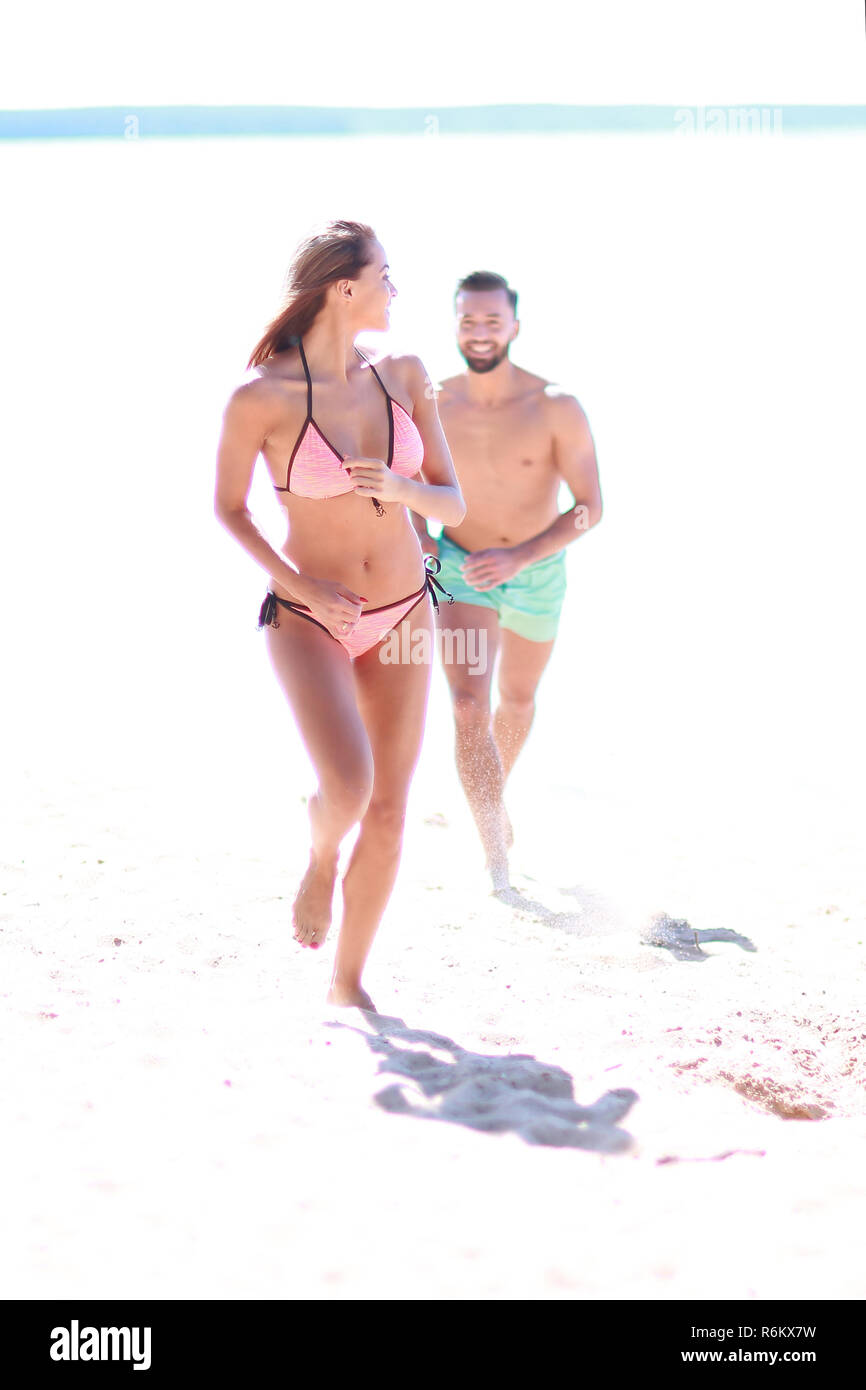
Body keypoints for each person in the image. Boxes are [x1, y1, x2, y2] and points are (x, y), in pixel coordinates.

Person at [214, 220, 465, 1010]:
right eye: (385, 275)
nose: (396, 290)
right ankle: (321, 856)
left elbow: (452, 502)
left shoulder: (406, 373)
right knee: (349, 788)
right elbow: (229, 511)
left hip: (401, 612)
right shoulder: (263, 397)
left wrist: (404, 492)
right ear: (343, 287)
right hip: (309, 615)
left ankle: (348, 981)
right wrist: (300, 585)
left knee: (389, 808)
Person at [413, 271, 601, 891]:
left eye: (493, 321)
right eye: (469, 320)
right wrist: (422, 543)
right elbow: (416, 491)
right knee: (468, 704)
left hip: (537, 572)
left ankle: (492, 799)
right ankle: (496, 852)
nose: (481, 332)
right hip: (462, 569)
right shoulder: (434, 402)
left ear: (514, 326)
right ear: (456, 325)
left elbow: (588, 507)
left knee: (516, 701)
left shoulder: (555, 405)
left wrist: (522, 556)